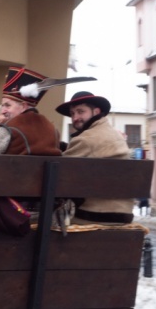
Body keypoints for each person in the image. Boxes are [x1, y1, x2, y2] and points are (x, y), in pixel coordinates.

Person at [56, 90, 135, 225]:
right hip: (122, 214)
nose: (75, 117)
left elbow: (60, 173)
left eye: (81, 112)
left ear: (96, 112)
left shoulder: (85, 139)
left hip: (95, 215)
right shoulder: (113, 134)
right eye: (72, 113)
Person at [0, 66, 62, 156]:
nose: (3, 111)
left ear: (23, 106)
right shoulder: (53, 131)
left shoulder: (6, 129)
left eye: (7, 105)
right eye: (3, 105)